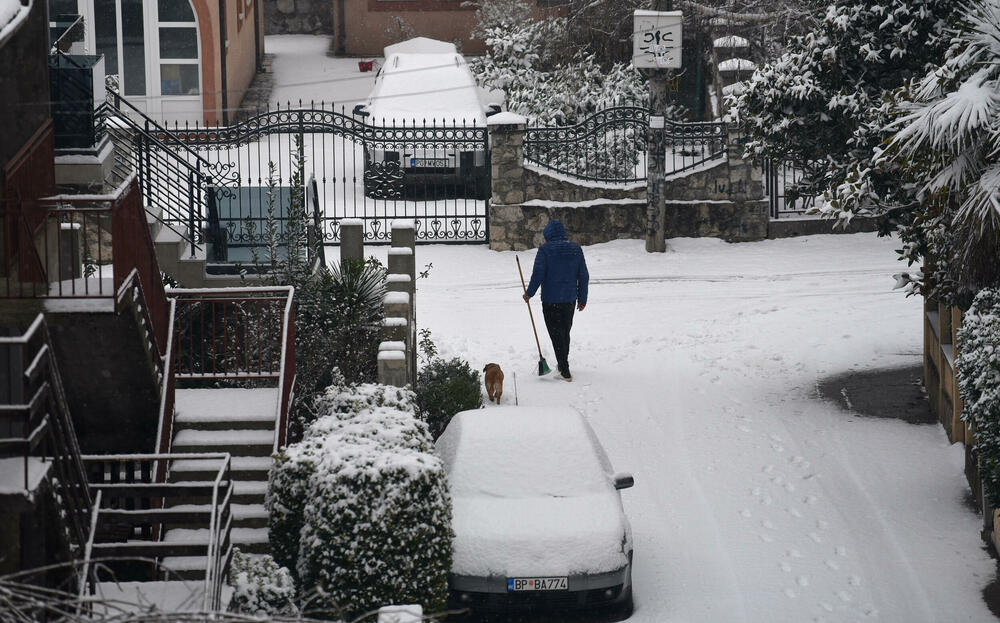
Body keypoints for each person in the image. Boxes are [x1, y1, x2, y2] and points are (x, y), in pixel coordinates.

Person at [522, 219, 589, 382]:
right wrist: (582, 299)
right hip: (569, 300)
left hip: (550, 300)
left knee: (556, 333)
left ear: (548, 235)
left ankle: (564, 369)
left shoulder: (545, 250)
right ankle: (562, 364)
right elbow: (583, 276)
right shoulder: (576, 249)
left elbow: (538, 274)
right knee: (564, 332)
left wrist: (529, 293)